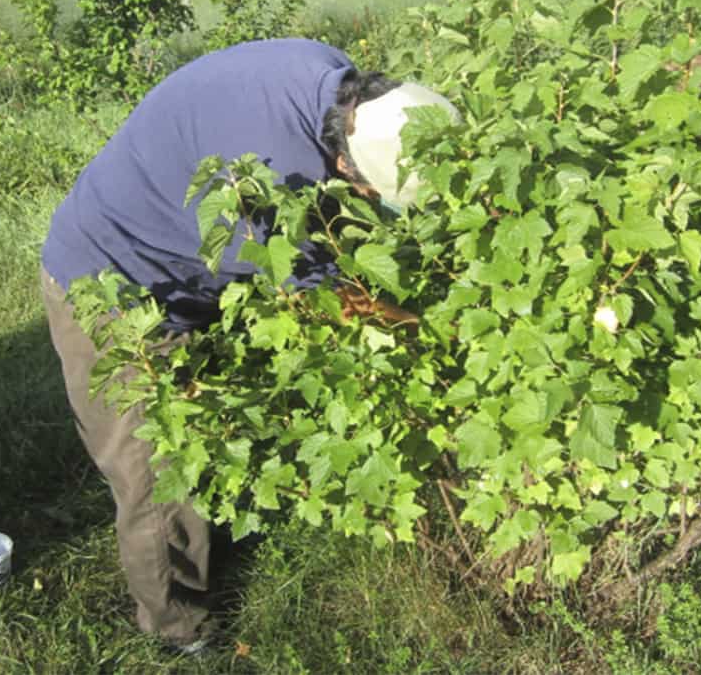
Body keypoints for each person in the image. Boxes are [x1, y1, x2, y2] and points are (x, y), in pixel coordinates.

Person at [39, 38, 456, 652]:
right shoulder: (265, 180)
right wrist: (430, 338)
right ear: (346, 167)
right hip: (111, 284)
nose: (372, 206)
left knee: (202, 427)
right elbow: (332, 300)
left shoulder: (330, 77)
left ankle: (214, 525)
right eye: (373, 195)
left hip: (175, 258)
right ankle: (177, 625)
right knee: (155, 469)